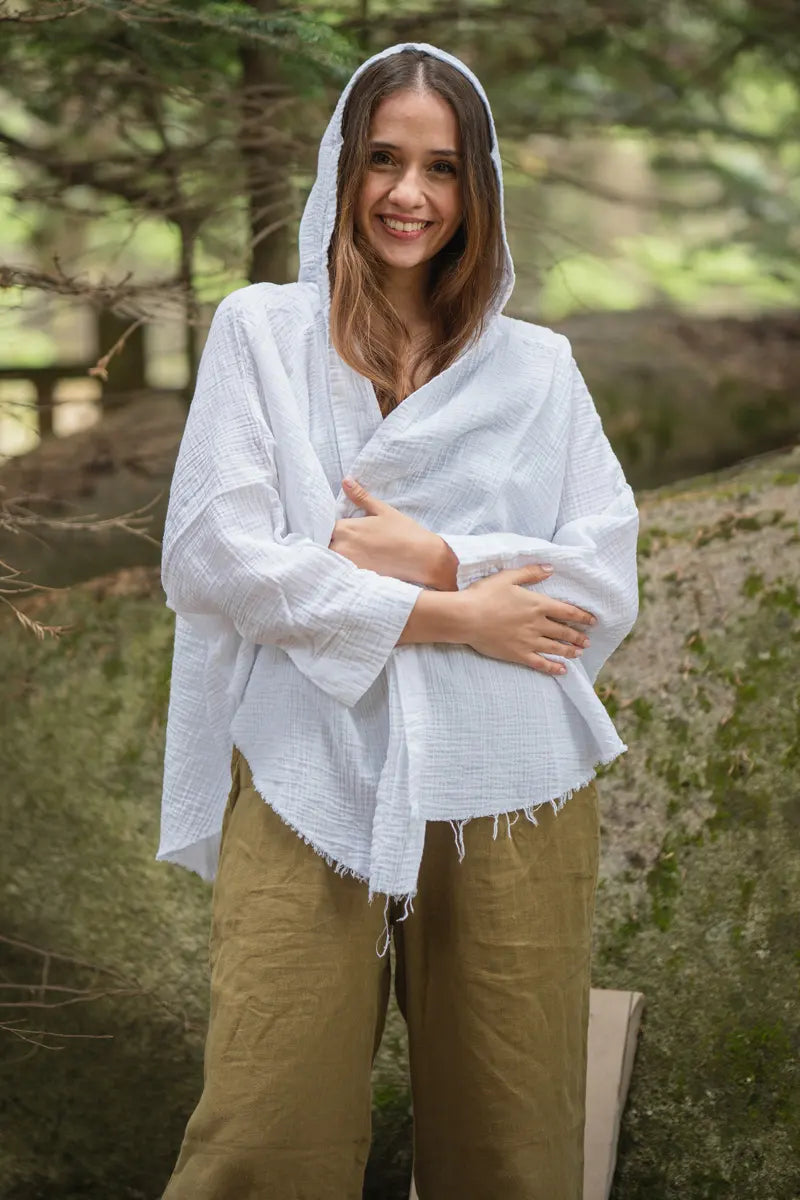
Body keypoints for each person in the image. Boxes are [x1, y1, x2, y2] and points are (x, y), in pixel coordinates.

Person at [157, 41, 639, 1200]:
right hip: (302, 764)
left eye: (439, 166)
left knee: (511, 1144)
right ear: (342, 166)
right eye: (382, 159)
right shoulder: (262, 334)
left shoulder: (536, 368)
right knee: (263, 1135)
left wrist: (443, 556)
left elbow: (599, 576)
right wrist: (448, 614)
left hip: (508, 784)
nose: (408, 195)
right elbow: (214, 555)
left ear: (477, 187)